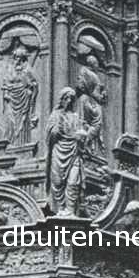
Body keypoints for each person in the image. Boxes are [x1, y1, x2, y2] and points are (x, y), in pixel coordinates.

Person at [46, 88, 86, 216]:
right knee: (57, 182)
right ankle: (60, 209)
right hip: (58, 151)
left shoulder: (75, 117)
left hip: (74, 151)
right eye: (66, 98)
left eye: (71, 99)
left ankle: (70, 210)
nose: (69, 101)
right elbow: (50, 135)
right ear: (61, 99)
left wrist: (81, 137)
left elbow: (81, 134)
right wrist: (54, 131)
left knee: (73, 182)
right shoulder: (55, 115)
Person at [2, 42, 38, 147]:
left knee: (23, 121)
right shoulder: (10, 70)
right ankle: (11, 143)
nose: (16, 60)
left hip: (24, 99)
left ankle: (22, 144)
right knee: (10, 120)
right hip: (12, 99)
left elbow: (34, 84)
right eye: (15, 57)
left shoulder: (27, 70)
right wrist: (7, 91)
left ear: (23, 59)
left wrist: (29, 88)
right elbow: (6, 82)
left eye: (19, 58)